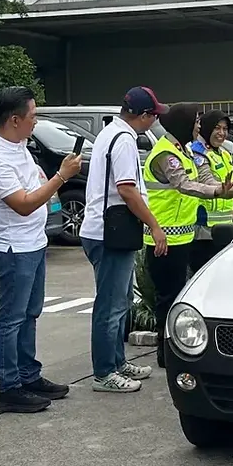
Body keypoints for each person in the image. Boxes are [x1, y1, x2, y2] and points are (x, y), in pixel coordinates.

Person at [0, 87, 81, 412]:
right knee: (11, 317)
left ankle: (27, 374)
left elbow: (36, 188)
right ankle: (7, 386)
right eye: (33, 116)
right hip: (13, 246)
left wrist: (49, 182)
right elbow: (23, 203)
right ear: (14, 119)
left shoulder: (20, 146)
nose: (36, 122)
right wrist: (61, 177)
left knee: (30, 313)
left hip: (34, 242)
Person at [80, 87, 167, 392]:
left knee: (120, 301)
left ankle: (116, 362)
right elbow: (127, 188)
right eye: (154, 115)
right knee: (111, 305)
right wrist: (154, 226)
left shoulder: (110, 132)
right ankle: (105, 372)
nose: (155, 121)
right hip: (109, 232)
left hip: (103, 230)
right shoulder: (126, 140)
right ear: (143, 116)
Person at [143, 102, 233, 368]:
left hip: (184, 236)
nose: (199, 126)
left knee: (183, 295)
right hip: (164, 239)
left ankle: (179, 348)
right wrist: (217, 192)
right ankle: (166, 352)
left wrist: (225, 189)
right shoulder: (166, 154)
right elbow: (183, 185)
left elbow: (201, 179)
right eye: (196, 122)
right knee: (169, 297)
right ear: (182, 124)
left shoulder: (181, 150)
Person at [189, 110, 233, 274]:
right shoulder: (197, 152)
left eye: (225, 129)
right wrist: (231, 190)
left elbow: (230, 183)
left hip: (225, 228)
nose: (221, 133)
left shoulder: (224, 153)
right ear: (206, 129)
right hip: (204, 231)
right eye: (217, 128)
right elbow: (208, 182)